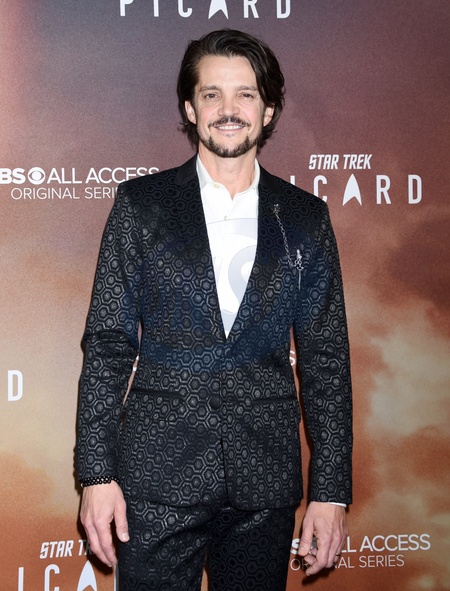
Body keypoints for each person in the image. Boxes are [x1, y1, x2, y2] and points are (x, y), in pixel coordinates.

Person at [77, 28, 352, 590]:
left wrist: (330, 490)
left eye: (245, 94)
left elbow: (326, 361)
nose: (229, 110)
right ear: (190, 108)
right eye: (212, 94)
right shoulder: (141, 206)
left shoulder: (306, 218)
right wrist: (96, 474)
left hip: (263, 487)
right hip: (155, 481)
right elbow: (107, 345)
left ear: (267, 110)